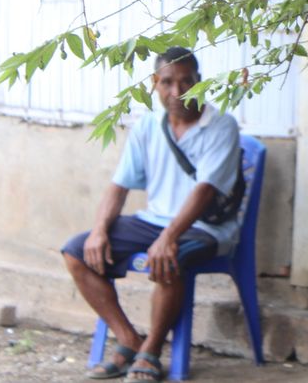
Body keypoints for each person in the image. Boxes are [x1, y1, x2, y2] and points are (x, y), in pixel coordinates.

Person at [62, 47, 241, 381]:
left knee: (168, 257)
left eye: (187, 82)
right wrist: (99, 229)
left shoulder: (221, 126)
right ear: (155, 84)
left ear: (199, 82)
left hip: (204, 227)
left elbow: (204, 193)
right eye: (168, 83)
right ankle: (130, 339)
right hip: (153, 221)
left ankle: (152, 350)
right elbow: (119, 185)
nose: (177, 92)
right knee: (76, 252)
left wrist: (168, 238)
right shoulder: (147, 126)